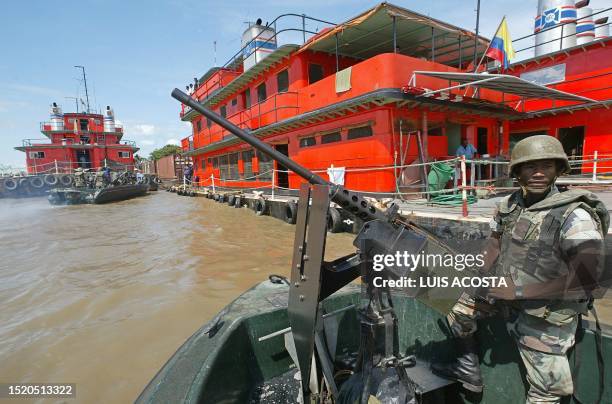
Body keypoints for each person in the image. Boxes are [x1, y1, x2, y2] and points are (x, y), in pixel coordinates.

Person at [432, 135, 608, 403]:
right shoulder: (508, 206)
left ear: (559, 170)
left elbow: (589, 279)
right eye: (529, 167)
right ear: (517, 172)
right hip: (507, 295)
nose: (538, 173)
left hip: (546, 311)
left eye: (547, 166)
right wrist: (477, 276)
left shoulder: (574, 215)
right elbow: (493, 245)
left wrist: (519, 291)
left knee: (545, 391)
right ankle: (468, 368)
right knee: (454, 303)